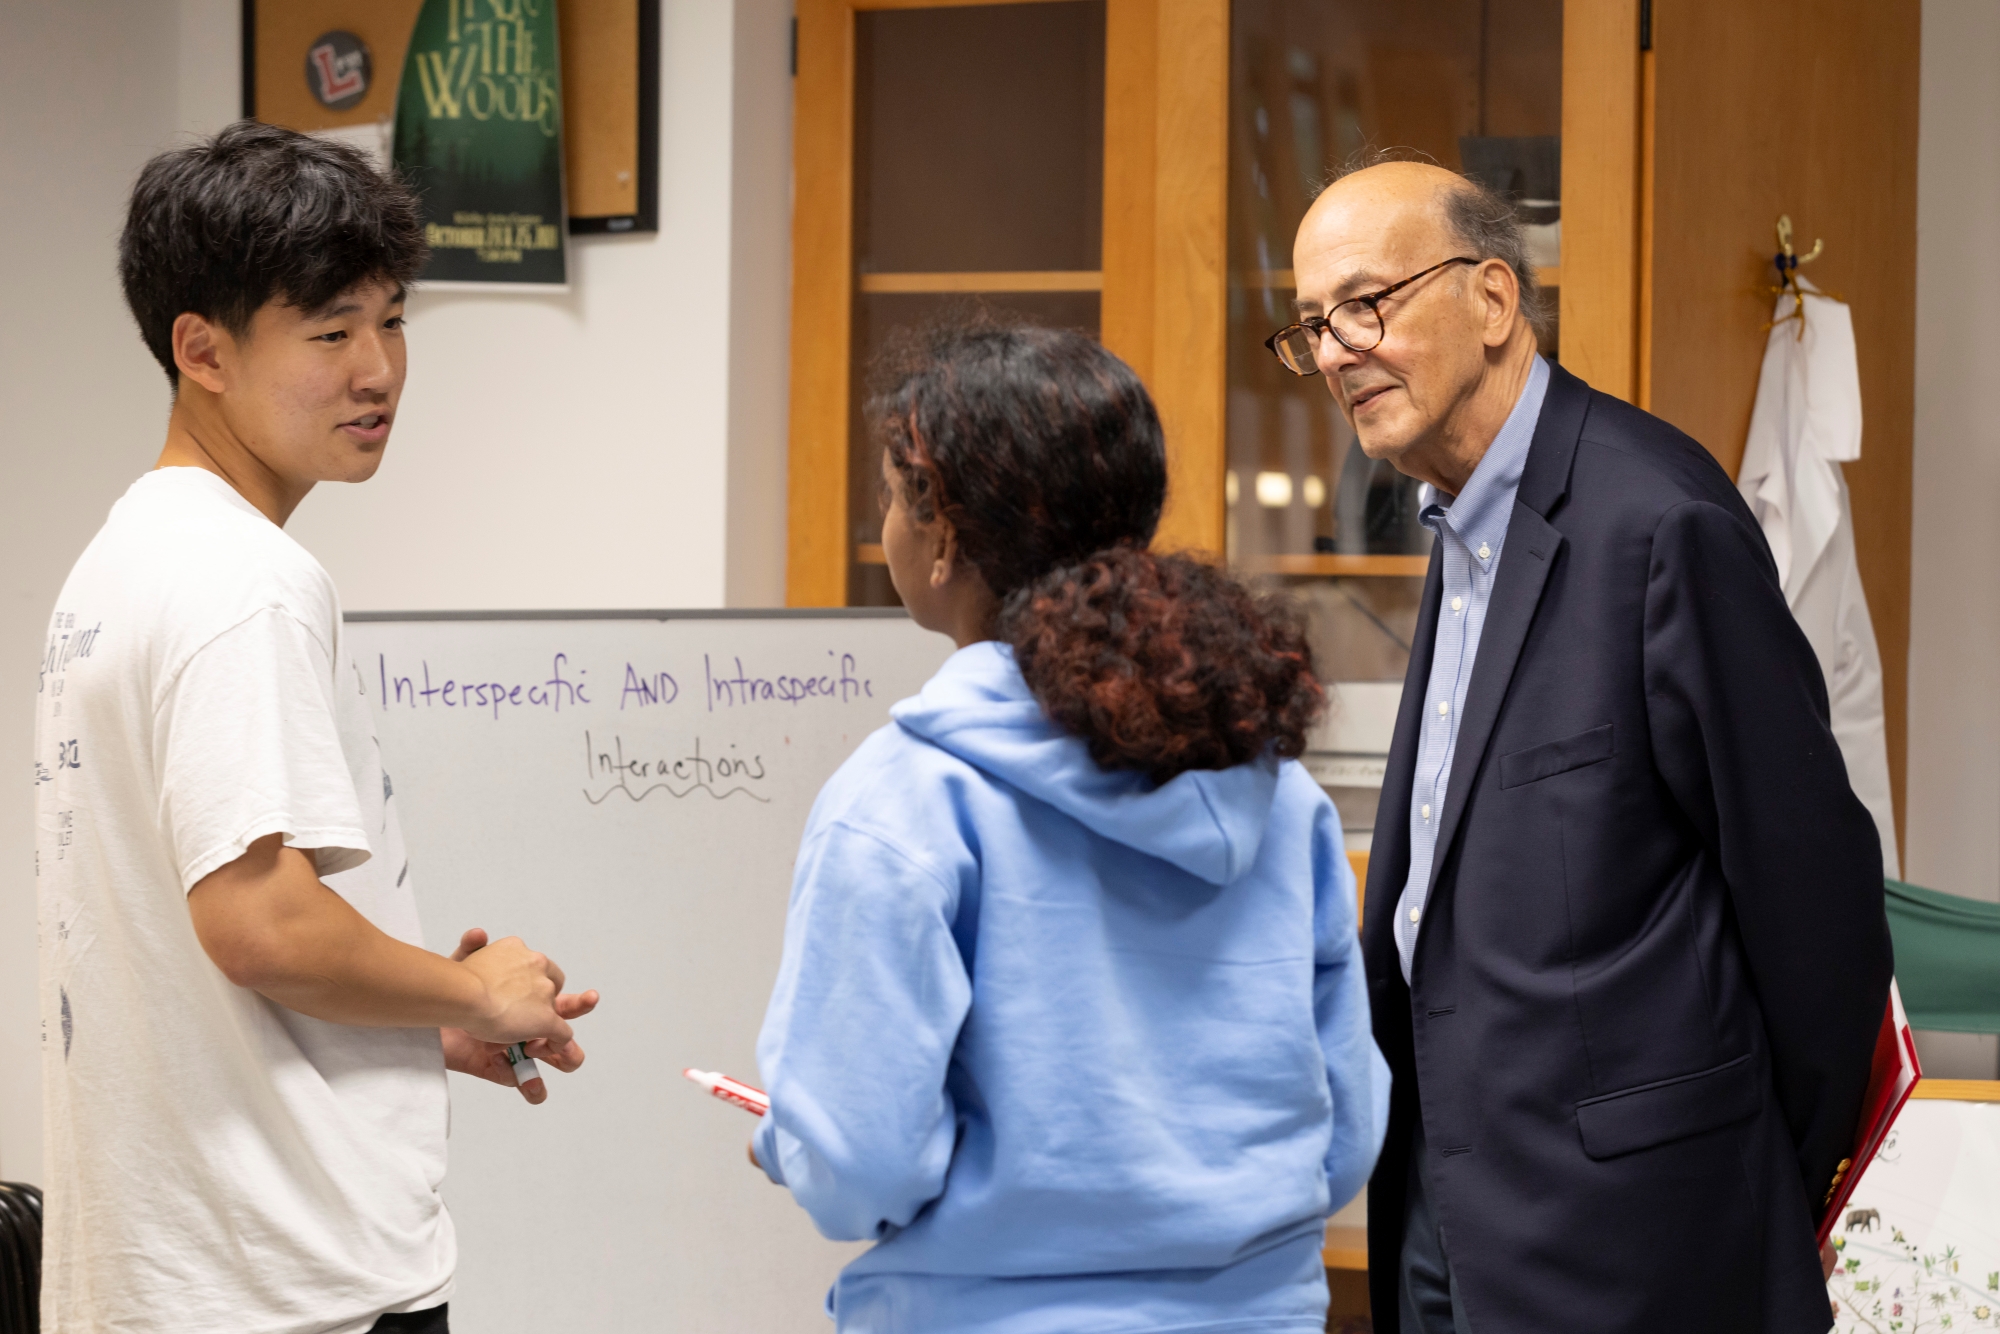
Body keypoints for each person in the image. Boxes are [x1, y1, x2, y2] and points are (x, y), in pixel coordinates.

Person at [1263, 158, 1893, 1333]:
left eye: (1365, 303)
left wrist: (1741, 1181)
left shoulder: (1657, 521)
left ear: (1493, 300)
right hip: (1447, 1212)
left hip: (1642, 1247)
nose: (1336, 350)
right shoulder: (1457, 521)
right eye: (1310, 326)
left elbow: (1817, 910)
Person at [34, 121, 598, 1334]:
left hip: (175, 1271)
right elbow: (258, 918)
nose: (379, 369)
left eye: (392, 320)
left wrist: (413, 1013)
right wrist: (473, 986)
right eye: (330, 331)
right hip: (291, 1288)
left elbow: (201, 942)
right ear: (203, 351)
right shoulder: (245, 580)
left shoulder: (123, 559)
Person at [749, 324, 1389, 1333]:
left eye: (889, 496)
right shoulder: (1276, 793)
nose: (886, 527)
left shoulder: (903, 802)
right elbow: (1343, 1130)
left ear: (944, 531)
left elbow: (855, 1161)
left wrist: (794, 1140)